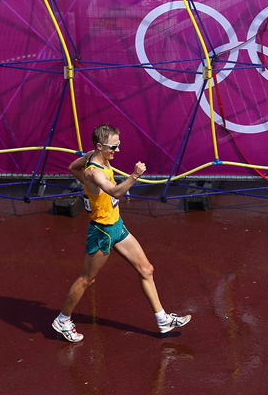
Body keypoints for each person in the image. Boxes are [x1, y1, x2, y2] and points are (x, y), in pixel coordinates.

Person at [52, 124, 191, 342]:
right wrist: (134, 176)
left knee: (146, 269)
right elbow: (115, 191)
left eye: (118, 145)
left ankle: (163, 319)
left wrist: (89, 189)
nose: (117, 150)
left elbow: (72, 168)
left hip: (117, 226)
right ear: (99, 146)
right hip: (102, 232)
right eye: (113, 147)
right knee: (87, 279)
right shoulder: (94, 172)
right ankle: (62, 320)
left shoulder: (93, 157)